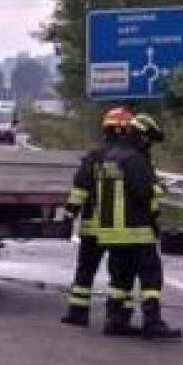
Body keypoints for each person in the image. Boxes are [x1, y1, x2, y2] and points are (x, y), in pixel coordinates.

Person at [83, 111, 179, 339]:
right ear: (143, 137)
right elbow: (141, 192)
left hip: (111, 231)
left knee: (120, 279)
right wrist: (160, 189)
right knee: (151, 278)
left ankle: (115, 320)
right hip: (136, 229)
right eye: (150, 141)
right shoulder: (135, 159)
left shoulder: (110, 156)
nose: (150, 146)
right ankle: (152, 322)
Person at [61, 107, 139, 325]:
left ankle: (77, 313)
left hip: (91, 225)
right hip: (119, 228)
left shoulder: (94, 156)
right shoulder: (132, 157)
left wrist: (69, 214)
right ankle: (116, 317)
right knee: (120, 272)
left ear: (106, 129)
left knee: (85, 269)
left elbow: (80, 188)